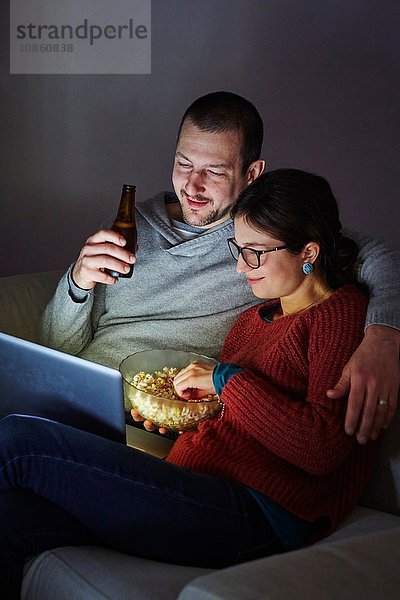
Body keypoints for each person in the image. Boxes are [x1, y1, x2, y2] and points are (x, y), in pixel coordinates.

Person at [0, 169, 379, 599]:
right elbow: (239, 420)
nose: (240, 267)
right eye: (238, 249)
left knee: (20, 438)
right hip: (196, 485)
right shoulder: (252, 321)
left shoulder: (340, 316)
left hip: (259, 514)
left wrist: (224, 379)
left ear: (308, 251)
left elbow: (320, 447)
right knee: (13, 516)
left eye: (255, 252)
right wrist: (176, 418)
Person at [40, 91, 400, 444]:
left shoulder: (268, 240)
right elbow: (55, 346)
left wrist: (384, 337)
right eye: (184, 164)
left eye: (214, 171)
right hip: (74, 395)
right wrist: (77, 283)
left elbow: (379, 255)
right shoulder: (131, 226)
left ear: (252, 174)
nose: (192, 186)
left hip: (147, 421)